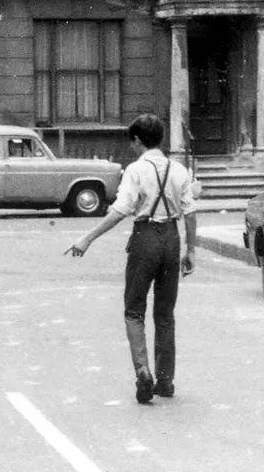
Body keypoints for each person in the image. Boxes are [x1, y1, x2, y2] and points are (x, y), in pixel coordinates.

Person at [67, 113, 197, 404]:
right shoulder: (179, 170)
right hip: (172, 239)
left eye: (133, 143)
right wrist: (191, 250)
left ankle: (142, 372)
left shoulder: (136, 170)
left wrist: (87, 238)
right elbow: (190, 212)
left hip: (145, 239)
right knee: (165, 314)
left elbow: (121, 210)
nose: (132, 148)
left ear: (138, 141)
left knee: (134, 310)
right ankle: (166, 380)